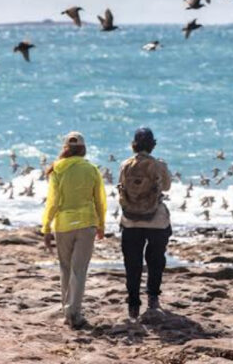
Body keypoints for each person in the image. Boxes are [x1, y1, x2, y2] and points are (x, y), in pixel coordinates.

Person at [41, 131, 106, 329]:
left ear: (65, 149)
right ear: (83, 149)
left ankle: (67, 310)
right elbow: (100, 200)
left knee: (65, 269)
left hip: (63, 225)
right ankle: (74, 312)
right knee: (79, 270)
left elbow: (52, 201)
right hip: (86, 224)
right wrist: (101, 225)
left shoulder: (57, 169)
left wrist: (46, 227)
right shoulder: (91, 169)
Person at [117, 127, 172, 320]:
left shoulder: (126, 164)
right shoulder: (159, 165)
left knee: (132, 263)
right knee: (156, 260)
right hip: (156, 220)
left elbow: (121, 186)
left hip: (130, 219)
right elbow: (166, 186)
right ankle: (153, 297)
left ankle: (133, 304)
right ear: (153, 145)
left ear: (134, 145)